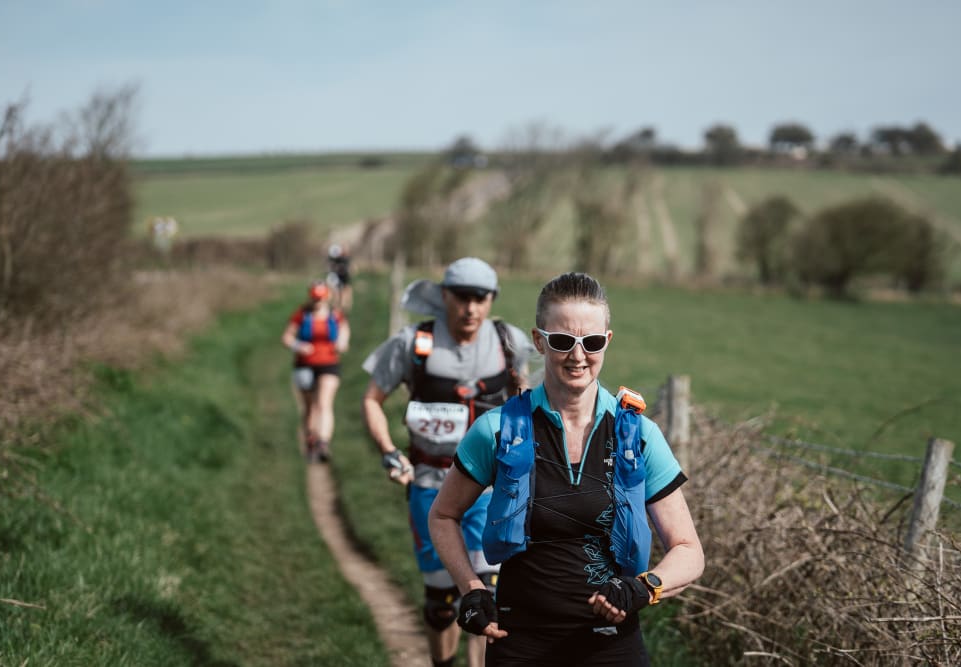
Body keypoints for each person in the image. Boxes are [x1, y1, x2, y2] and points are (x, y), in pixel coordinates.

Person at [429, 272, 704, 667]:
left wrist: (645, 587)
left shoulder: (638, 435)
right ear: (539, 340)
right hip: (519, 642)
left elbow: (689, 550)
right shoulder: (497, 429)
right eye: (562, 341)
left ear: (607, 341)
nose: (578, 356)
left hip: (612, 645)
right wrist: (471, 589)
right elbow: (443, 515)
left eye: (591, 342)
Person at [361, 257, 535, 667]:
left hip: (490, 490)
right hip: (431, 485)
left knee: (485, 597)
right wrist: (389, 450)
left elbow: (525, 402)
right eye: (462, 297)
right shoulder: (413, 342)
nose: (471, 308)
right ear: (444, 296)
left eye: (481, 298)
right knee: (440, 604)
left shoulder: (508, 342)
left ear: (492, 299)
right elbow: (372, 399)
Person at [281, 280, 350, 463]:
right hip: (304, 364)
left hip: (329, 363)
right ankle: (310, 439)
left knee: (324, 403)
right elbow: (287, 337)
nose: (318, 301)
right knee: (309, 407)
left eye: (321, 298)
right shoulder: (302, 315)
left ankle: (323, 442)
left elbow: (344, 334)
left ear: (327, 297)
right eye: (315, 298)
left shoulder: (335, 316)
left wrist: (341, 343)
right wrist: (299, 346)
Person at [325, 243, 354, 311]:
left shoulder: (345, 259)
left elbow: (350, 269)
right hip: (338, 277)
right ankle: (337, 306)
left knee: (344, 291)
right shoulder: (337, 259)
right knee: (337, 292)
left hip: (344, 277)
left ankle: (343, 307)